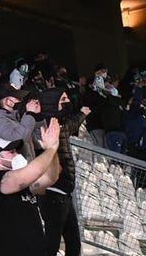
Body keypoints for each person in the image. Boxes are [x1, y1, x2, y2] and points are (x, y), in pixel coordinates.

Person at [0, 118, 62, 256]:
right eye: (11, 152)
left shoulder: (20, 184)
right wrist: (50, 149)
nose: (17, 154)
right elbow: (29, 174)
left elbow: (50, 177)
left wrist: (53, 151)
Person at [38, 89, 89, 256]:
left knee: (74, 243)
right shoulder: (43, 125)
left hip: (65, 194)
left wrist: (82, 114)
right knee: (51, 243)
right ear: (53, 102)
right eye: (63, 99)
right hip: (52, 194)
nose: (67, 103)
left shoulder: (62, 124)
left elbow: (72, 124)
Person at [0, 83, 41, 158]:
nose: (21, 100)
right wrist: (30, 114)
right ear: (8, 102)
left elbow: (37, 142)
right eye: (18, 98)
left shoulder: (14, 117)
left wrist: (37, 116)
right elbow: (18, 139)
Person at [102, 81, 126, 153]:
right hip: (119, 132)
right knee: (120, 157)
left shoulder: (106, 103)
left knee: (114, 156)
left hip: (111, 132)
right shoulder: (121, 105)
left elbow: (103, 117)